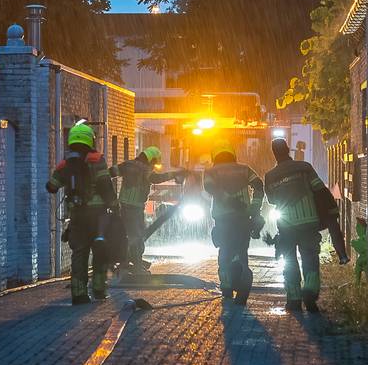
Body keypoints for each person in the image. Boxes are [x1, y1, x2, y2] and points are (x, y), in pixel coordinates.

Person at [46, 124, 117, 305]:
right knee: (100, 250)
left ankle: (79, 294)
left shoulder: (66, 164)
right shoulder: (97, 159)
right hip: (98, 216)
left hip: (77, 216)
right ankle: (99, 290)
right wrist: (114, 206)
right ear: (90, 139)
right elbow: (105, 185)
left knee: (79, 253)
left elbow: (52, 186)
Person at [265, 138, 335, 312]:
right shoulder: (304, 167)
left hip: (286, 224)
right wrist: (330, 211)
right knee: (310, 257)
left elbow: (272, 199)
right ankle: (310, 293)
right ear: (288, 149)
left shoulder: (270, 176)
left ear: (273, 153)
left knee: (289, 260)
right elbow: (319, 189)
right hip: (308, 220)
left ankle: (294, 299)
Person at [204, 141, 264, 305]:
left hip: (222, 219)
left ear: (215, 156)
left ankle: (227, 287)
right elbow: (259, 186)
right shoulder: (245, 169)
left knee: (224, 252)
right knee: (242, 250)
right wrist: (255, 208)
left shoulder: (210, 171)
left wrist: (227, 200)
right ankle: (242, 276)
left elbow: (210, 188)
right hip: (243, 219)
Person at [111, 146, 186, 274]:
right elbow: (157, 178)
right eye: (154, 163)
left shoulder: (127, 165)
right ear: (151, 160)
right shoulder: (145, 170)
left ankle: (127, 262)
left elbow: (110, 173)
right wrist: (174, 174)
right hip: (135, 208)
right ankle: (136, 266)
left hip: (123, 207)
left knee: (128, 235)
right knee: (137, 236)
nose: (153, 166)